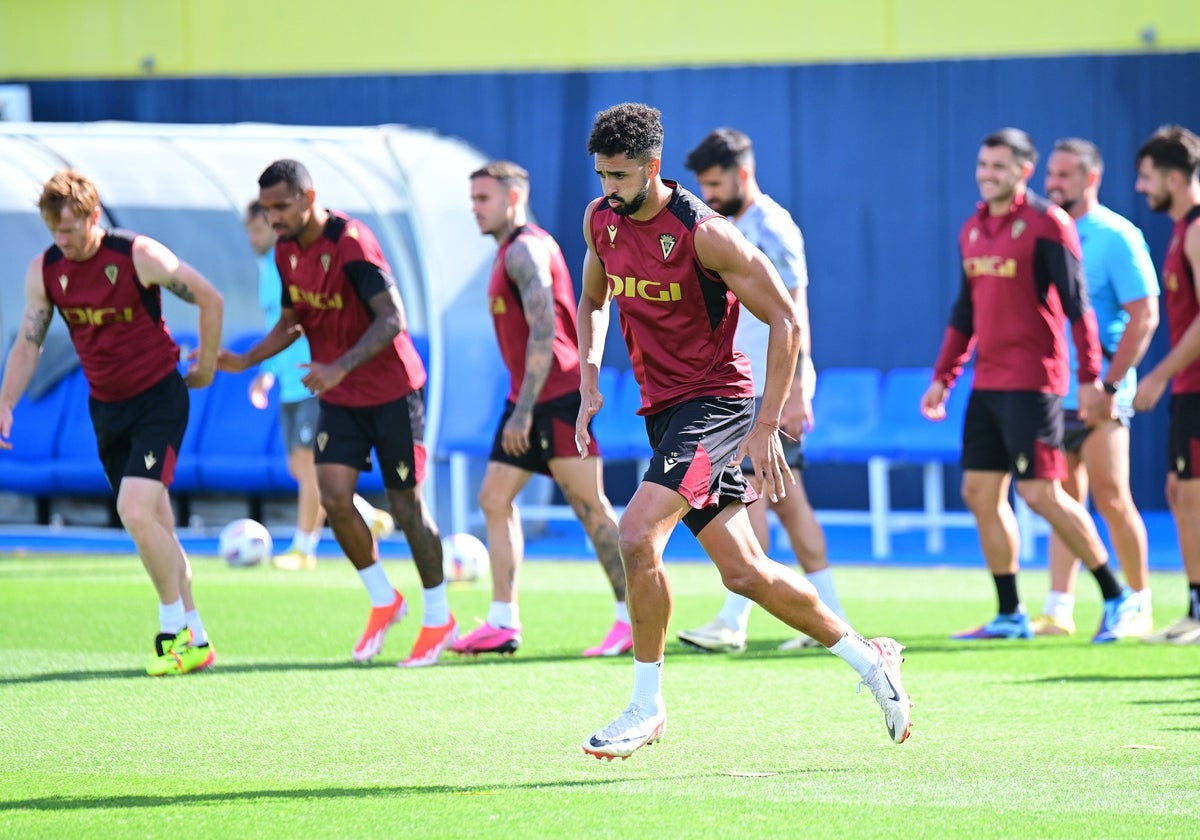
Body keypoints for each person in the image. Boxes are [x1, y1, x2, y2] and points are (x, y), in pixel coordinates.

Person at [575, 103, 912, 760]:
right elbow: (592, 300)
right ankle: (872, 658)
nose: (607, 189)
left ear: (652, 166)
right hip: (666, 415)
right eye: (600, 176)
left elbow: (786, 321)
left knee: (637, 533)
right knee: (746, 572)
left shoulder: (706, 233)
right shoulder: (601, 223)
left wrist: (763, 427)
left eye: (618, 176)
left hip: (718, 409)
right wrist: (590, 371)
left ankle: (646, 705)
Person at [217, 159, 455, 667]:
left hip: (392, 392)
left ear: (309, 197)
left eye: (282, 206)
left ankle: (438, 617)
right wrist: (245, 359)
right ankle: (383, 600)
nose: (274, 217)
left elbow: (394, 318)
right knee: (333, 497)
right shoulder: (283, 251)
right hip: (343, 398)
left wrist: (339, 367)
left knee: (407, 507)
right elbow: (290, 321)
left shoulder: (352, 242)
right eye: (267, 209)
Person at [0, 169, 223, 676]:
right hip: (107, 408)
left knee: (135, 511)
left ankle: (172, 634)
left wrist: (206, 364)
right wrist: (6, 401)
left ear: (94, 217)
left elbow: (211, 297)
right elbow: (28, 344)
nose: (64, 239)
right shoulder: (45, 271)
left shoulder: (138, 256)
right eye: (55, 230)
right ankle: (199, 638)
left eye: (72, 229)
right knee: (155, 524)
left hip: (158, 399)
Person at [920, 128, 1138, 642]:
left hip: (1036, 383)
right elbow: (964, 312)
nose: (986, 173)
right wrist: (943, 378)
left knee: (1040, 492)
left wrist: (1091, 381)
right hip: (987, 383)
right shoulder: (972, 229)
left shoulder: (1048, 224)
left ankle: (1116, 595)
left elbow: (1080, 308)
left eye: (998, 166)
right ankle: (1010, 613)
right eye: (982, 164)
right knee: (979, 491)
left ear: (1023, 171)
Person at [452, 161, 631, 658]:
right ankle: (503, 621)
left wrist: (524, 410)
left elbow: (545, 332)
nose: (475, 208)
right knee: (493, 498)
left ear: (513, 199)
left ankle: (633, 617)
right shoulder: (508, 250)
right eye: (472, 199)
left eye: (483, 199)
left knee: (590, 508)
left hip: (552, 399)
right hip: (528, 398)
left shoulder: (526, 250)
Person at [677, 128, 845, 653]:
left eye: (715, 182)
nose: (708, 192)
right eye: (702, 183)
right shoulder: (724, 226)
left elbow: (794, 312)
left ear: (743, 174)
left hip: (767, 386)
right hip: (742, 383)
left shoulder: (772, 227)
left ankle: (734, 619)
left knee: (754, 495)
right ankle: (831, 615)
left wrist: (795, 389)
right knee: (787, 502)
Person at [1032, 139, 1160, 638]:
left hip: (1101, 392)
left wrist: (1108, 384)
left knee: (1111, 495)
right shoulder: (1046, 231)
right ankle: (1060, 607)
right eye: (1050, 174)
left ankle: (1139, 604)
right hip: (1050, 392)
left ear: (1091, 179)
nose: (1052, 183)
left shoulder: (1118, 236)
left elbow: (1143, 317)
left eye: (1064, 175)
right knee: (1062, 498)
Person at [242, 200, 395, 572]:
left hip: (314, 378)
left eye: (259, 229)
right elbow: (277, 325)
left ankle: (303, 548)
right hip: (289, 383)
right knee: (299, 466)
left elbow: (306, 320)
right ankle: (365, 513)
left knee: (311, 468)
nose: (252, 238)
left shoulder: (292, 261)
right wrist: (268, 371)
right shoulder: (268, 267)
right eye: (249, 231)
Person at [1131, 124, 1200, 644]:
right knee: (1179, 491)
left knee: (1191, 493)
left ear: (1174, 179)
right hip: (1187, 390)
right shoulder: (1181, 230)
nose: (1140, 187)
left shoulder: (1197, 229)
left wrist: (1157, 374)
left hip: (1194, 388)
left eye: (1147, 177)